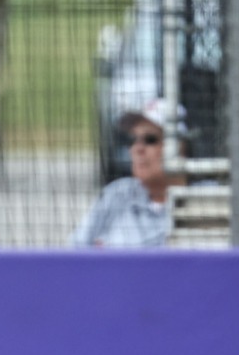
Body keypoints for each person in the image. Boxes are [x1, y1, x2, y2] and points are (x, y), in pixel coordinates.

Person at [72, 99, 189, 248]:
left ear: (180, 148)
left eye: (150, 139)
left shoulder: (203, 201)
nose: (137, 149)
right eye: (132, 140)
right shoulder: (118, 194)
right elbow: (74, 253)